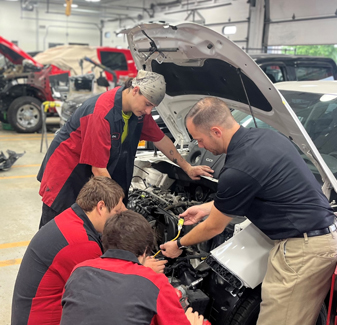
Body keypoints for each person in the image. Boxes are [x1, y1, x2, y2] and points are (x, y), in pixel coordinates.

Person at [159, 97, 337, 325]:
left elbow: (213, 228)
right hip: (314, 240)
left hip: (303, 250)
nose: (200, 146)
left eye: (200, 139)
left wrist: (179, 244)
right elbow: (249, 194)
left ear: (217, 131)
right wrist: (205, 207)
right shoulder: (262, 136)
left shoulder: (240, 167)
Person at [10, 176, 166, 325]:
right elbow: (110, 295)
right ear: (101, 207)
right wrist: (142, 269)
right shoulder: (82, 243)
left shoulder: (73, 217)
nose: (122, 215)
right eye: (118, 211)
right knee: (121, 324)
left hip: (38, 323)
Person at [40, 210, 205, 325]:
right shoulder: (155, 283)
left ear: (103, 242)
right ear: (146, 251)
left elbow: (103, 316)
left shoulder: (80, 271)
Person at [37, 70, 213, 227]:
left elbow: (161, 140)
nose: (148, 111)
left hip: (92, 178)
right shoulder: (101, 113)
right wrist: (119, 205)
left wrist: (187, 167)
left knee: (89, 231)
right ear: (135, 90)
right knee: (60, 231)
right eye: (147, 104)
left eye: (152, 107)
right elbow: (98, 169)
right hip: (66, 176)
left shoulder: (139, 113)